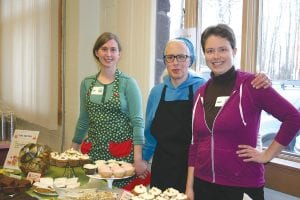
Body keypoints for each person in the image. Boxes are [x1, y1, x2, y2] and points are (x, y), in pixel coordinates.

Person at [186, 24, 300, 200]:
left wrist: (267, 155)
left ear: (234, 51)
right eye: (210, 51)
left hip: (241, 185)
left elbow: (293, 118)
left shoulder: (253, 85)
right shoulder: (200, 93)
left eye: (222, 49)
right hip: (203, 184)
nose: (216, 56)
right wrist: (189, 187)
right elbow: (195, 143)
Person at [142, 37, 271, 193]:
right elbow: (149, 132)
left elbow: (233, 114)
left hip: (195, 169)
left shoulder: (203, 88)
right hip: (162, 167)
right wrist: (142, 159)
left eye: (182, 57)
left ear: (190, 60)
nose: (175, 62)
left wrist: (259, 79)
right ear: (165, 61)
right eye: (170, 57)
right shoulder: (156, 92)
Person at [71, 32, 147, 188]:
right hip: (94, 153)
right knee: (94, 193)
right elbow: (84, 118)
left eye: (113, 49)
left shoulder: (128, 83)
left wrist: (138, 159)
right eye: (104, 49)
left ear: (119, 54)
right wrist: (72, 150)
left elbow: (138, 122)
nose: (108, 54)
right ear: (96, 52)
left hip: (121, 155)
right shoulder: (87, 83)